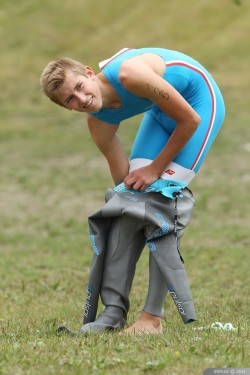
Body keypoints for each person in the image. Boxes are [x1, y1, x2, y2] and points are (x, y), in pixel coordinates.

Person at [40, 47, 225, 334]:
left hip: (197, 103)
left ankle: (152, 319)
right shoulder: (98, 123)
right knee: (130, 206)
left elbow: (190, 121)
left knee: (162, 201)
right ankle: (113, 313)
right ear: (68, 109)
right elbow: (124, 184)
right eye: (71, 100)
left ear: (89, 73)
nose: (83, 99)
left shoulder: (129, 75)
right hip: (161, 112)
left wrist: (154, 171)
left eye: (79, 87)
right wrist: (125, 201)